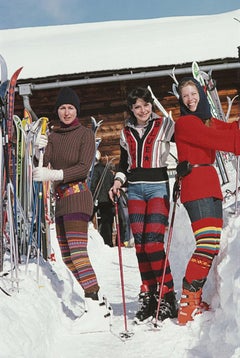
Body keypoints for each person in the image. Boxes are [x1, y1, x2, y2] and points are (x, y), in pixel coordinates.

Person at [109, 86, 178, 324]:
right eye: (137, 106)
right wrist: (118, 182)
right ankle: (149, 294)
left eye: (146, 105)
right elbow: (123, 164)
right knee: (139, 246)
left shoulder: (165, 125)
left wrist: (188, 166)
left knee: (152, 244)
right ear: (131, 109)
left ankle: (167, 295)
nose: (143, 110)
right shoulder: (125, 132)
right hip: (135, 189)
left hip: (158, 186)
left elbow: (187, 140)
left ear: (151, 105)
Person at [175, 77, 240, 325]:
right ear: (182, 101)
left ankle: (194, 297)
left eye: (193, 94)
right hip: (195, 185)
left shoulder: (205, 120)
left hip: (209, 184)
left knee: (211, 244)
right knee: (206, 244)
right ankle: (187, 303)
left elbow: (227, 130)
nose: (190, 99)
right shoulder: (185, 124)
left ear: (201, 95)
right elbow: (220, 140)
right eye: (186, 96)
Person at [33, 87, 101, 305]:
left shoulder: (85, 134)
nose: (66, 112)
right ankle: (93, 297)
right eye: (62, 108)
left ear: (76, 110)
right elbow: (41, 164)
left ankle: (95, 299)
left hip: (79, 197)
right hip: (62, 200)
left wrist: (54, 174)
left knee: (78, 253)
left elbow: (83, 168)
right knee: (68, 257)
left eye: (70, 107)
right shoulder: (53, 136)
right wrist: (37, 150)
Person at [90, 150, 115, 247]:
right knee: (107, 221)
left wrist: (91, 196)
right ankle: (108, 242)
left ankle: (103, 243)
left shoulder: (95, 170)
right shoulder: (107, 169)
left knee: (90, 218)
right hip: (108, 199)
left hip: (98, 198)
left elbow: (93, 184)